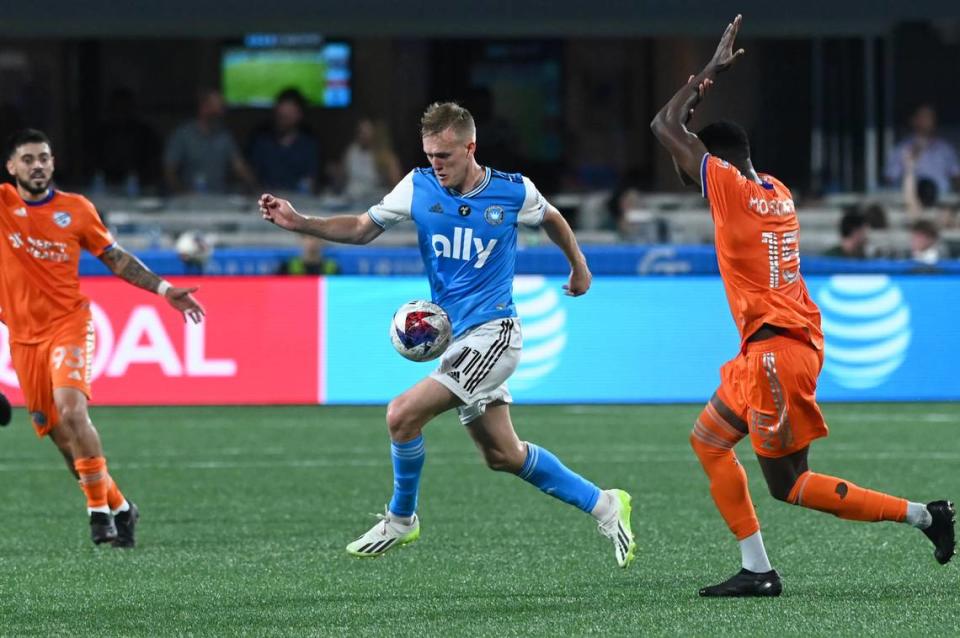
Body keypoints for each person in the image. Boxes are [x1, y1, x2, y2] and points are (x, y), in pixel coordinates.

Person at [650, 15, 954, 597]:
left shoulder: (732, 191)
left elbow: (664, 125)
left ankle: (925, 516)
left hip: (775, 354)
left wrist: (706, 74)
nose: (685, 174)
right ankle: (757, 568)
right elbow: (685, 140)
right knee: (709, 440)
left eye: (692, 166)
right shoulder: (775, 190)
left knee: (789, 484)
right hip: (776, 344)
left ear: (715, 162)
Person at [260, 102, 635, 567]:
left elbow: (553, 218)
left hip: (495, 334)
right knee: (502, 454)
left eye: (445, 155)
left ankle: (401, 519)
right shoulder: (416, 187)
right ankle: (605, 504)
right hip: (458, 341)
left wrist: (579, 265)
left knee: (401, 416)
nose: (436, 164)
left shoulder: (512, 192)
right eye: (430, 154)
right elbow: (361, 228)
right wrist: (301, 223)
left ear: (470, 147)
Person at [2, 129, 206, 546]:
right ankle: (122, 507)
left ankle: (98, 514)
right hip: (23, 337)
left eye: (43, 157)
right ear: (11, 167)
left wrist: (165, 290)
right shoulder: (3, 205)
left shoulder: (76, 209)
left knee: (72, 411)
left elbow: (116, 258)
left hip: (69, 324)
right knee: (62, 439)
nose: (37, 165)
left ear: (53, 163)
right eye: (27, 159)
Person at [164, 88, 257, 194]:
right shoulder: (183, 135)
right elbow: (170, 170)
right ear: (204, 107)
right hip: (190, 201)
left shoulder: (224, 136)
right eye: (217, 107)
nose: (221, 112)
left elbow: (239, 167)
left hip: (220, 199)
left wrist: (256, 188)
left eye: (222, 108)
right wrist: (180, 193)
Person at [248, 88, 320, 192]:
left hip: (298, 203)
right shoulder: (262, 143)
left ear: (299, 115)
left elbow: (310, 181)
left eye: (287, 117)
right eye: (280, 117)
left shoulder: (308, 145)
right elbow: (253, 179)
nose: (282, 121)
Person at [885, 105, 960, 198]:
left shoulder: (946, 149)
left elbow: (956, 176)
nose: (928, 121)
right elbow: (890, 178)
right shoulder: (901, 149)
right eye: (924, 117)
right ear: (913, 120)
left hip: (942, 203)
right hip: (908, 203)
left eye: (931, 117)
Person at [339, 118, 403, 207]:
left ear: (374, 133)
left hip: (374, 201)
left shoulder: (384, 155)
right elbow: (342, 177)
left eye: (366, 132)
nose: (362, 135)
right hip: (351, 198)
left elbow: (396, 184)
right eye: (360, 131)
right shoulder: (351, 151)